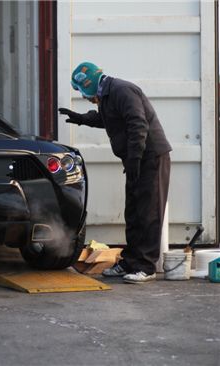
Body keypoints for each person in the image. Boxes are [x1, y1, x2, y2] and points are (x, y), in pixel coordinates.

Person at [59, 62, 172, 284]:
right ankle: (131, 261)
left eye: (82, 92)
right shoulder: (108, 97)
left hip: (150, 158)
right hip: (135, 159)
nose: (84, 97)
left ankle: (146, 266)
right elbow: (107, 119)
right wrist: (82, 119)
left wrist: (135, 159)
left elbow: (138, 124)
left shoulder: (122, 90)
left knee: (148, 211)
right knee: (133, 211)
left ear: (89, 84)